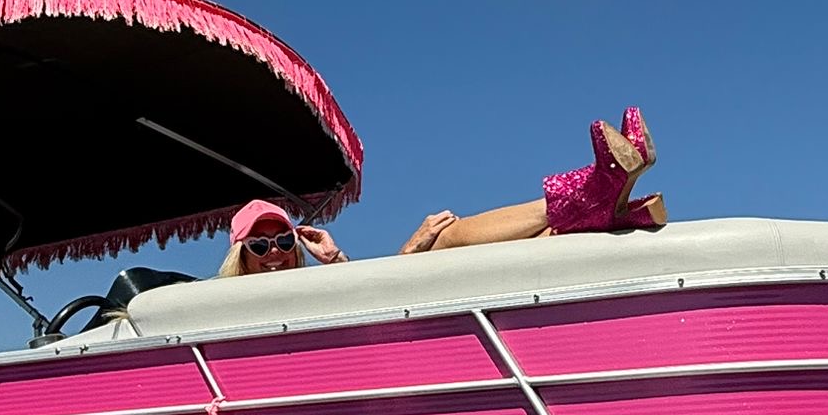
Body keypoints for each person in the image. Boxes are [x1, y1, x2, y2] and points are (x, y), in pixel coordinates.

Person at [219, 109, 664, 278]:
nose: (274, 252)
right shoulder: (218, 308)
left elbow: (356, 301)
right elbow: (370, 309)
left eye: (282, 240)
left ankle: (594, 204)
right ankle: (593, 193)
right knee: (444, 242)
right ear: (239, 256)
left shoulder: (305, 286)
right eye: (260, 244)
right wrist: (410, 253)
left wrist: (335, 261)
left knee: (546, 241)